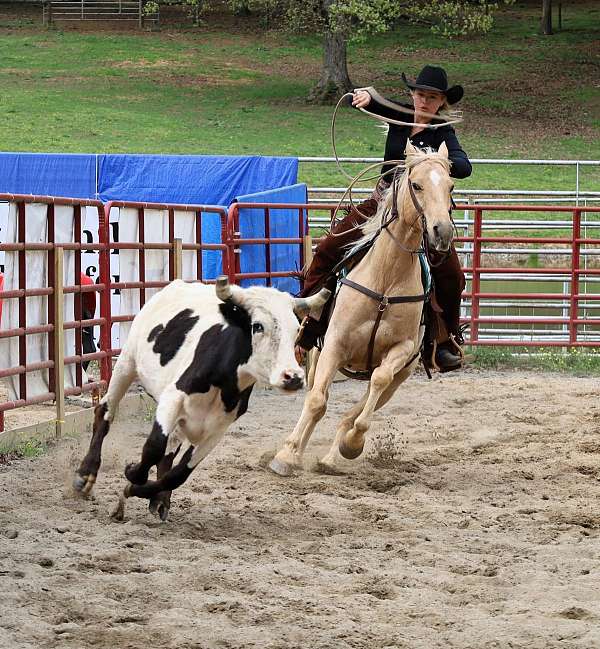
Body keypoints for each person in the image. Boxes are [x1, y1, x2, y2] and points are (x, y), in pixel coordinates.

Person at [297, 65, 472, 372]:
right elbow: (377, 103)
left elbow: (463, 165)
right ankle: (306, 318)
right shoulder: (400, 117)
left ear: (441, 101)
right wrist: (365, 95)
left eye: (432, 97)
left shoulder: (444, 132)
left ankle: (445, 340)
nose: (425, 102)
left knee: (452, 276)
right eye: (420, 94)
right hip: (384, 204)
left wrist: (435, 162)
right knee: (330, 246)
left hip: (422, 213)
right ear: (413, 95)